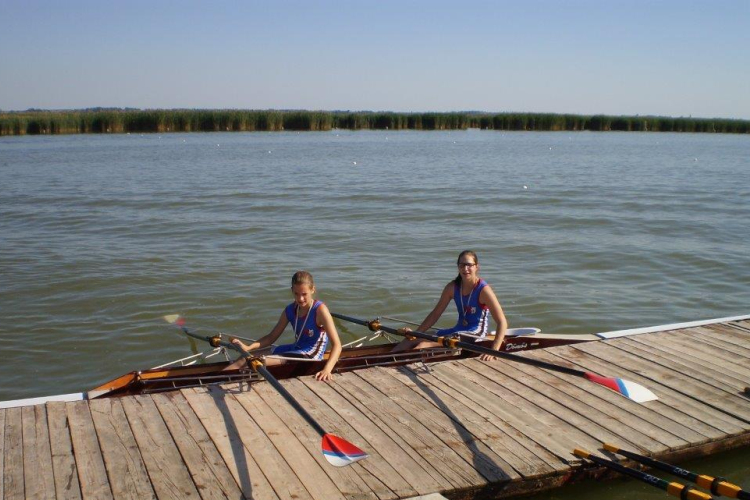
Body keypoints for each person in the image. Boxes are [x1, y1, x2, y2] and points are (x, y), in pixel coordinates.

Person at [393, 250, 508, 361]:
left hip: (475, 334)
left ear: (476, 267)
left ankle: (399, 366)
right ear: (458, 267)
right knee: (410, 340)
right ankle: (386, 359)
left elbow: (502, 322)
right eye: (462, 265)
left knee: (423, 345)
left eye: (469, 265)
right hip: (457, 331)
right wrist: (416, 333)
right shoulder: (452, 287)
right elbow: (435, 314)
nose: (465, 269)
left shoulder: (483, 290)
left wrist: (494, 350)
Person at [231, 271, 342, 381]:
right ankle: (215, 380)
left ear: (313, 289)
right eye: (296, 294)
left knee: (257, 360)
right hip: (296, 348)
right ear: (292, 291)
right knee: (245, 357)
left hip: (311, 355)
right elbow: (271, 337)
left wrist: (327, 370)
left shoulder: (320, 310)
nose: (300, 299)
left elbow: (337, 345)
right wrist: (248, 348)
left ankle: (223, 380)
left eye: (304, 294)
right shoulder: (290, 310)